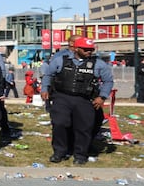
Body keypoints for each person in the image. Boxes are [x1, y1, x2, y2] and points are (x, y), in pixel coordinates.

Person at [41, 37, 113, 165]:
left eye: (90, 49)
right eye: (85, 49)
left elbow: (108, 81)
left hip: (85, 100)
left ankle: (80, 155)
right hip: (62, 97)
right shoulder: (60, 60)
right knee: (60, 124)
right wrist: (44, 88)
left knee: (83, 128)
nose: (88, 52)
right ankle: (59, 152)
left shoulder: (98, 63)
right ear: (76, 48)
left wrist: (102, 97)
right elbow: (48, 75)